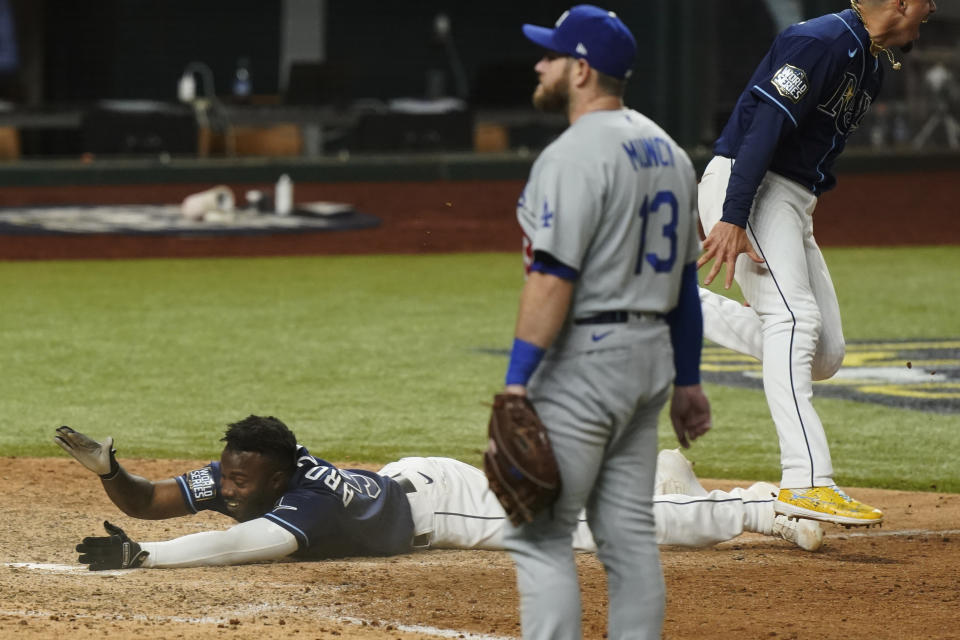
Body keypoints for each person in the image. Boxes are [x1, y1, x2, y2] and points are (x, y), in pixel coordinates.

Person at [499, 5, 710, 639]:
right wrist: (688, 380)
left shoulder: (570, 156)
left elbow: (551, 278)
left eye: (552, 55)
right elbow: (684, 286)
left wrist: (515, 383)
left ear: (582, 70)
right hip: (649, 363)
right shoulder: (670, 151)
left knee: (540, 536)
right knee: (628, 539)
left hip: (587, 361)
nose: (540, 64)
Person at [697, 0, 936, 528]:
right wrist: (733, 215)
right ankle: (806, 480)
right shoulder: (821, 41)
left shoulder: (869, 62)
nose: (933, 8)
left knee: (824, 353)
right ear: (898, 2)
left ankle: (675, 306)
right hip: (750, 184)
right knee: (794, 320)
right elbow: (763, 124)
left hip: (789, 199)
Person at [54, 418, 822, 571]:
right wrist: (109, 473)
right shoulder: (244, 472)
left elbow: (239, 543)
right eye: (223, 474)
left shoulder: (303, 500)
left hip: (447, 505)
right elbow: (151, 498)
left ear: (280, 476)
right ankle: (661, 478)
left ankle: (762, 504)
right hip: (414, 479)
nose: (223, 487)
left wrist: (145, 562)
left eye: (239, 479)